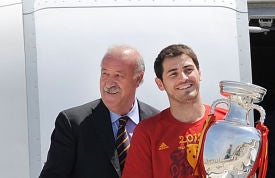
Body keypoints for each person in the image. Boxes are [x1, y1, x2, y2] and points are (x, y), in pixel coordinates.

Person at [39, 45, 159, 178]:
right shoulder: (73, 123)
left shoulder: (158, 123)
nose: (109, 83)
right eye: (105, 73)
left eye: (118, 75)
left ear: (138, 78)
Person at [122, 44, 226, 178]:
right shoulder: (147, 132)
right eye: (173, 73)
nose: (183, 78)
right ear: (160, 84)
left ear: (199, 73)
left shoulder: (227, 121)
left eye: (188, 70)